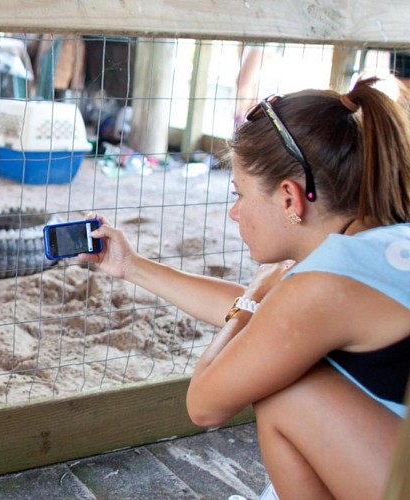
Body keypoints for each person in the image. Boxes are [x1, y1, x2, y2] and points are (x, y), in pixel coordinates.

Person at [78, 76, 409, 499]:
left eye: (240, 194)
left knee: (288, 390)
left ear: (290, 198)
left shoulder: (327, 283)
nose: (234, 212)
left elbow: (205, 403)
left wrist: (254, 294)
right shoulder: (376, 239)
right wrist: (132, 267)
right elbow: (273, 326)